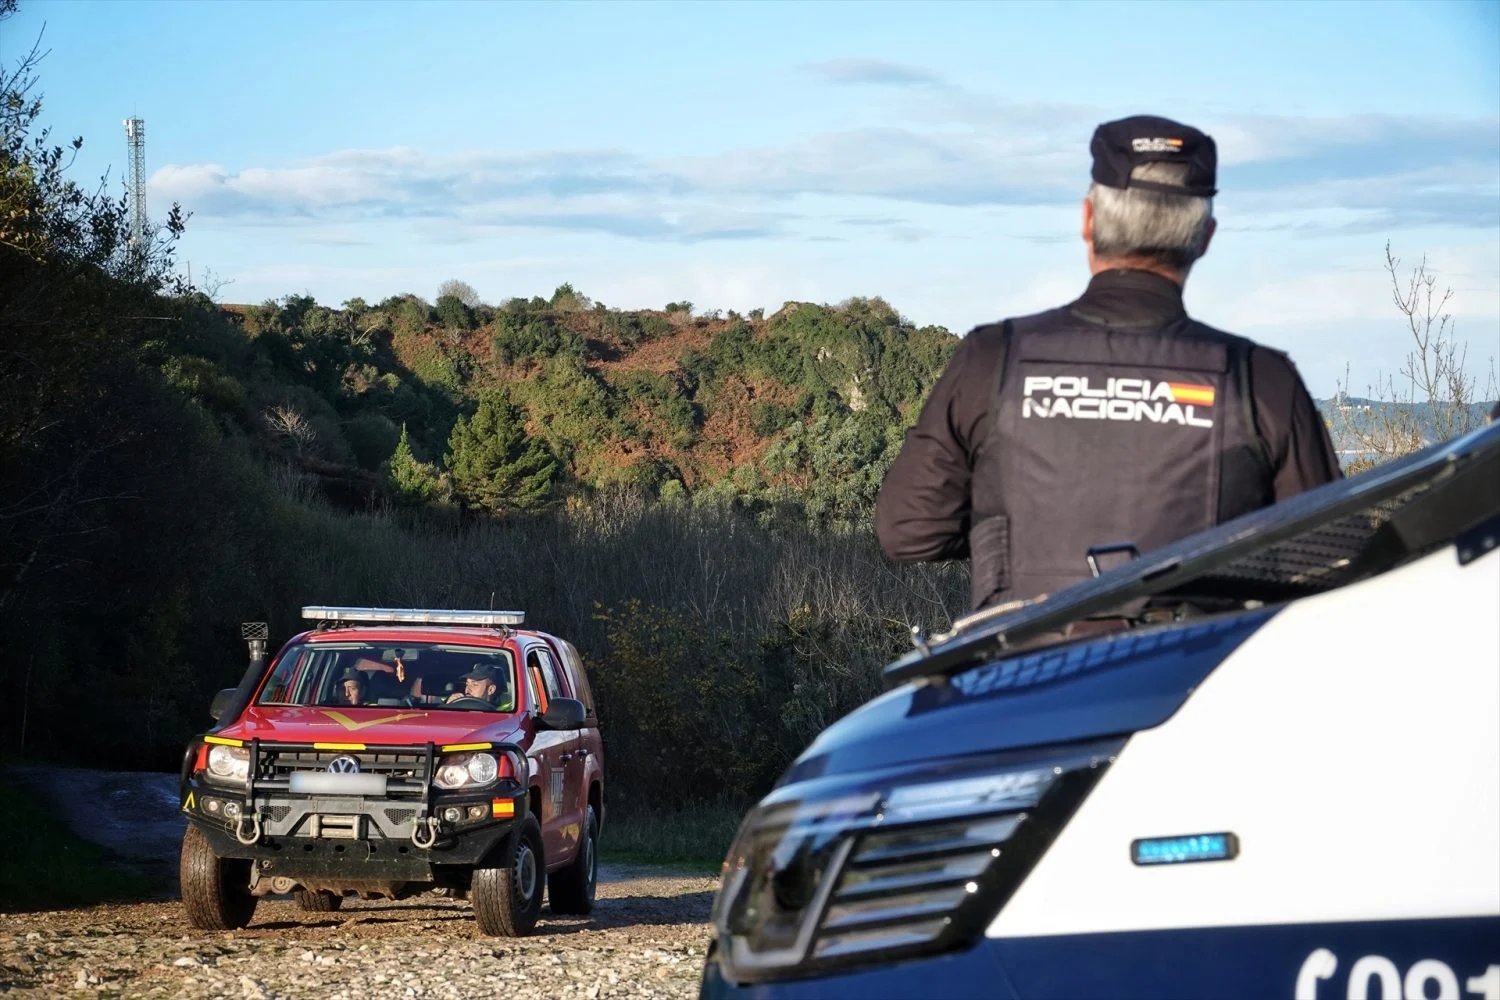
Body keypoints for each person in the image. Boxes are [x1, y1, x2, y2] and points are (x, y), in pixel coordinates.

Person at [875, 114, 1342, 614]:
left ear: (1088, 221)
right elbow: (1330, 559)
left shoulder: (994, 359)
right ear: (1204, 236)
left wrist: (1016, 533)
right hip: (1199, 678)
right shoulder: (1263, 380)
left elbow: (909, 531)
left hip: (1026, 679)